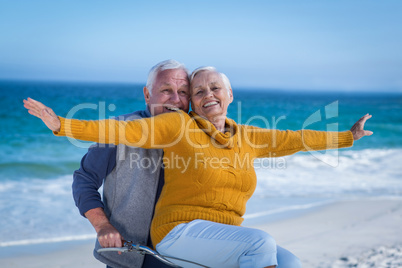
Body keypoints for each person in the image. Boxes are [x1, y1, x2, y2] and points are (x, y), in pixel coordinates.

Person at [24, 67, 372, 268]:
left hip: (214, 238)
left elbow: (295, 139)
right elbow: (119, 132)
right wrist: (63, 125)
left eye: (214, 88)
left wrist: (347, 137)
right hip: (160, 241)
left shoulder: (245, 135)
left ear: (230, 94)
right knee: (261, 243)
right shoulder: (177, 127)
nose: (204, 95)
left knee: (291, 263)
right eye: (197, 90)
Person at [72, 59, 191, 268]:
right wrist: (102, 226)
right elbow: (84, 179)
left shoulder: (197, 134)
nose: (176, 99)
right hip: (129, 254)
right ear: (147, 94)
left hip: (185, 258)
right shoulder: (119, 130)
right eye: (166, 90)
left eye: (183, 92)